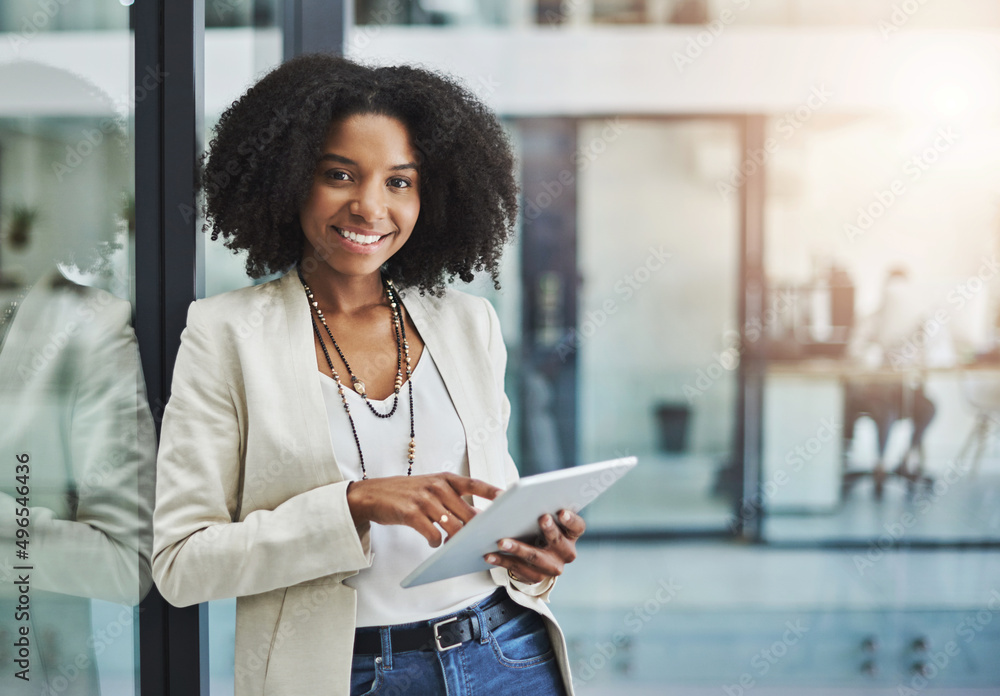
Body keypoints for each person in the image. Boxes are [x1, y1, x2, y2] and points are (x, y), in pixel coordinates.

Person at [151, 54, 584, 695]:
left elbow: (495, 504)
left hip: (506, 656)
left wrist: (535, 562)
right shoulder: (225, 335)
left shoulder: (470, 325)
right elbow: (182, 564)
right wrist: (353, 504)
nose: (369, 206)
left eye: (399, 182)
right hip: (343, 674)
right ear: (290, 177)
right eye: (339, 174)